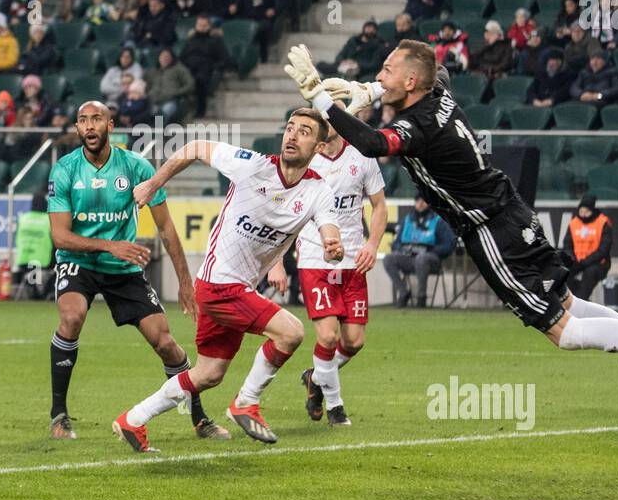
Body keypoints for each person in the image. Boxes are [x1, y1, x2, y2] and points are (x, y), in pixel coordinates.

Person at [283, 42, 618, 419]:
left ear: (412, 80)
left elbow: (377, 144)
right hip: (513, 211)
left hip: (489, 230)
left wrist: (323, 100)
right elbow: (437, 74)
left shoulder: (421, 125)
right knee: (570, 302)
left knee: (561, 331)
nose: (380, 74)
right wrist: (372, 91)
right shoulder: (439, 96)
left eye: (388, 69)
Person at [112, 109, 344, 451]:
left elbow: (329, 229)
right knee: (291, 332)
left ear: (320, 147)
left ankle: (132, 420)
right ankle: (247, 402)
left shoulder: (318, 190)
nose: (293, 135)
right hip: (218, 285)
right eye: (290, 128)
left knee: (209, 374)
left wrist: (332, 245)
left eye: (305, 132)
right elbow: (194, 148)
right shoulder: (252, 164)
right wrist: (153, 182)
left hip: (238, 289)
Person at [46, 101, 229, 442]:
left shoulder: (135, 167)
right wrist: (108, 245)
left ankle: (199, 417)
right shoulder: (65, 171)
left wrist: (185, 284)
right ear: (76, 128)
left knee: (165, 342)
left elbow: (167, 229)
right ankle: (59, 414)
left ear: (110, 126)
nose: (89, 126)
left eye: (96, 119)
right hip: (79, 262)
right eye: (83, 120)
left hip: (123, 268)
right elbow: (59, 235)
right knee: (71, 319)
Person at [264, 115, 386, 427]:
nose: (329, 119)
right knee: (328, 337)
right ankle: (336, 408)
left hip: (352, 261)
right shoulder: (307, 159)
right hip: (315, 258)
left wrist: (372, 244)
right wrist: (276, 262)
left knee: (354, 341)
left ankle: (315, 377)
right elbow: (277, 209)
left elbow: (379, 206)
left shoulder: (362, 155)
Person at [382, 196, 454, 308]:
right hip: (409, 257)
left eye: (423, 200)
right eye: (418, 200)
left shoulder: (438, 220)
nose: (420, 203)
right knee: (389, 258)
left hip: (431, 259)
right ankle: (403, 292)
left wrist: (429, 250)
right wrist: (403, 249)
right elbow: (397, 243)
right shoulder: (408, 219)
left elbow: (449, 245)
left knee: (421, 258)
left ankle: (421, 297)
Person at [562, 194, 612, 301]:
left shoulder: (603, 223)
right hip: (577, 262)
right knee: (563, 272)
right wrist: (573, 259)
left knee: (590, 273)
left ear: (592, 211)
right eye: (581, 212)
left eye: (586, 212)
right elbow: (567, 246)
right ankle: (570, 299)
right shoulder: (574, 223)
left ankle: (581, 300)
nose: (583, 215)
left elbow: (603, 251)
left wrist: (584, 263)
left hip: (598, 264)